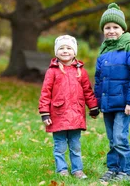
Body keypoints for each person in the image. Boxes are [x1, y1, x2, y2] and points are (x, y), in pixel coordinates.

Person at [95, 3, 130, 182]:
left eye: (115, 27)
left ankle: (126, 171)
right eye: (107, 27)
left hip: (124, 103)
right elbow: (99, 79)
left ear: (123, 29)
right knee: (111, 138)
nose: (111, 30)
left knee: (119, 137)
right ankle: (113, 168)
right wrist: (96, 103)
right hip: (108, 103)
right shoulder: (104, 50)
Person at [38, 35, 99, 179]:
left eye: (68, 48)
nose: (65, 51)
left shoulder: (81, 72)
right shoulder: (52, 71)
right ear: (56, 52)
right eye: (61, 48)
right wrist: (45, 113)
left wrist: (93, 106)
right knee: (59, 146)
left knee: (75, 146)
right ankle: (62, 170)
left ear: (75, 52)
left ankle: (77, 170)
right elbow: (45, 92)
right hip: (57, 114)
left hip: (76, 114)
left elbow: (87, 91)